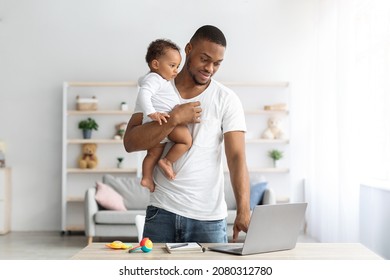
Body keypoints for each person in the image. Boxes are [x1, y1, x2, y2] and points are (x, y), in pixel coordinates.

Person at [124, 25, 250, 243]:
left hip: (209, 219)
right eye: (204, 59)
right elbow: (130, 142)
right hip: (162, 211)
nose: (209, 68)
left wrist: (243, 210)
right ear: (188, 49)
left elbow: (237, 157)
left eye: (217, 63)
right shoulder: (154, 89)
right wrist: (174, 119)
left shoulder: (226, 99)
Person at [136, 39, 192, 192]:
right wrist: (152, 112)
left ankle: (146, 177)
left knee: (152, 153)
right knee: (186, 141)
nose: (176, 70)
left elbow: (143, 86)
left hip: (156, 125)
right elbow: (144, 93)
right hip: (164, 120)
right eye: (172, 66)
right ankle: (167, 161)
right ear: (156, 65)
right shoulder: (155, 79)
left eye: (177, 66)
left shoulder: (152, 79)